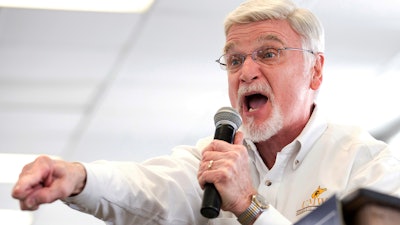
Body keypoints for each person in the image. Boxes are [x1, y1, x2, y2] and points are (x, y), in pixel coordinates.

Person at [11, 0, 400, 224]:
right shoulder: (215, 158)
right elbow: (145, 188)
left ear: (316, 70)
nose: (247, 72)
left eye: (268, 53)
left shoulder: (368, 165)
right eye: (234, 60)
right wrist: (78, 177)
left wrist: (249, 206)